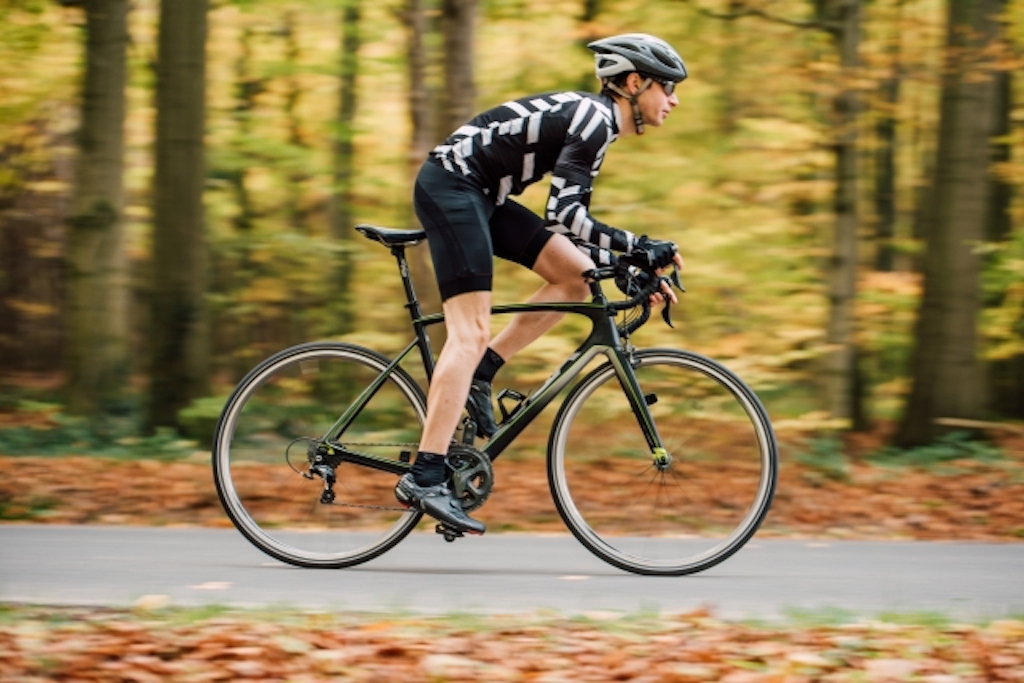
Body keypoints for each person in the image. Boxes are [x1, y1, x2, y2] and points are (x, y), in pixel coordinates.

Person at [394, 33, 688, 534]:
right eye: (669, 88)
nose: (675, 100)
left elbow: (565, 227)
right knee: (469, 331)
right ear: (635, 83)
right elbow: (566, 213)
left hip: (483, 194)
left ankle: (481, 375)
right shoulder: (595, 120)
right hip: (453, 187)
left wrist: (626, 265)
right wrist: (637, 244)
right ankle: (424, 475)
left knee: (576, 278)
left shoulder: (594, 122)